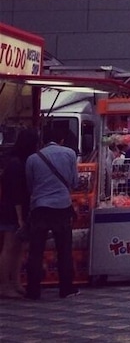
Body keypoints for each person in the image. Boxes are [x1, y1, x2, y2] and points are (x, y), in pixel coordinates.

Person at [24, 126, 80, 300]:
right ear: (61, 139)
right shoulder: (70, 154)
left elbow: (30, 185)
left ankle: (33, 290)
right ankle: (66, 288)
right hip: (62, 207)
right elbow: (74, 182)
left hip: (40, 208)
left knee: (36, 251)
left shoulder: (33, 159)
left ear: (43, 140)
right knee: (63, 249)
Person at [0, 130, 35, 298]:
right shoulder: (16, 165)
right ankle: (5, 284)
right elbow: (16, 194)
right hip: (12, 211)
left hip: (15, 210)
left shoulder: (17, 162)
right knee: (10, 247)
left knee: (18, 248)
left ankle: (15, 282)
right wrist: (20, 217)